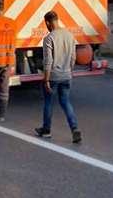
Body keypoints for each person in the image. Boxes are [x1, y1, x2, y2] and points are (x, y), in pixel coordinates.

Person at [35, 11, 82, 144]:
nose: (47, 26)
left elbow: (48, 61)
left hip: (54, 76)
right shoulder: (69, 35)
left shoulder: (49, 38)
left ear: (48, 22)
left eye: (46, 24)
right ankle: (75, 129)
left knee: (48, 102)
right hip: (67, 75)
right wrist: (69, 73)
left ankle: (46, 130)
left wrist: (46, 79)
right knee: (66, 102)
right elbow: (73, 57)